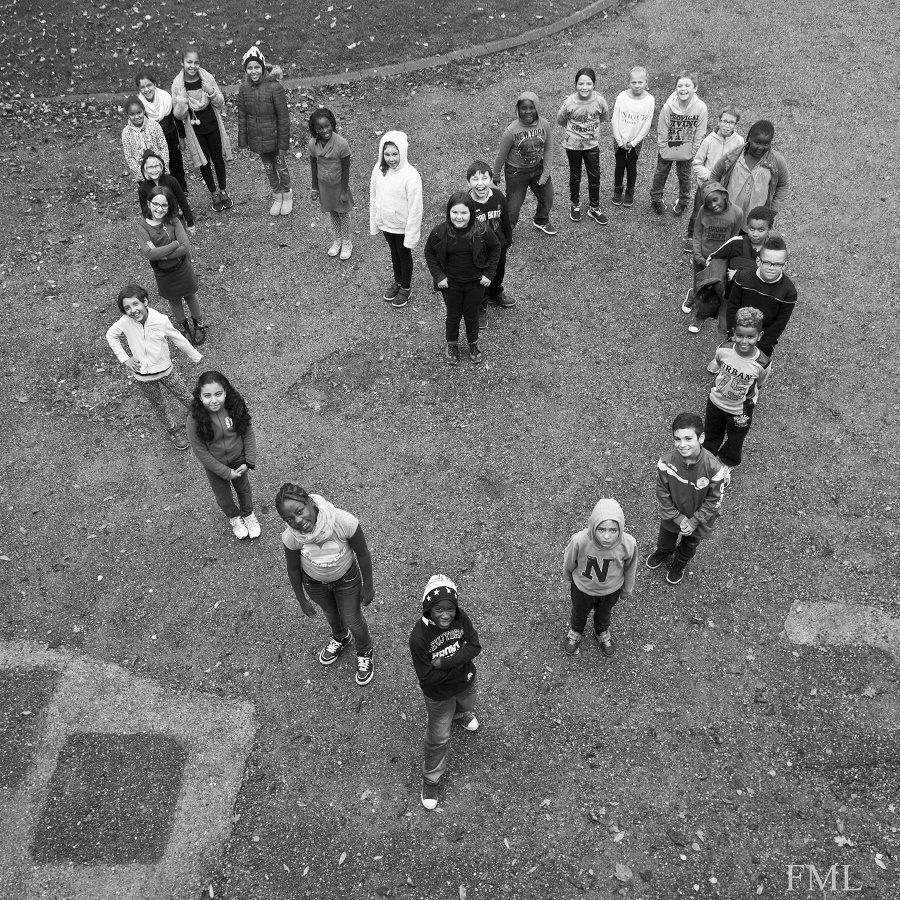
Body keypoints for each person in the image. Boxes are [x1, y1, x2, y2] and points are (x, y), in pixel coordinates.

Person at [276, 484, 376, 686]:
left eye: (299, 511)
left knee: (353, 618)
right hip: (315, 585)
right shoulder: (291, 537)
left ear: (310, 502)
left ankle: (365, 650)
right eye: (289, 519)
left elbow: (363, 554)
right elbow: (293, 569)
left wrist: (368, 586)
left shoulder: (343, 522)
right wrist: (302, 599)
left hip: (347, 582)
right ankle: (341, 637)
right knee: (331, 614)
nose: (297, 521)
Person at [409, 574, 482, 811]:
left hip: (465, 682)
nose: (445, 615)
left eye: (450, 609)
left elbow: (475, 646)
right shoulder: (419, 637)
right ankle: (431, 780)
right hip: (438, 694)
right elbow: (427, 678)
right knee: (438, 737)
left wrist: (445, 662)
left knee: (466, 704)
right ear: (428, 608)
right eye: (438, 609)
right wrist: (460, 664)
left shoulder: (461, 618)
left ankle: (459, 715)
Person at [105, 284, 201, 450]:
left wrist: (195, 356)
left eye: (135, 304)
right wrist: (125, 359)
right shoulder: (125, 322)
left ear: (145, 302)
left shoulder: (160, 320)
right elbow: (111, 335)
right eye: (127, 308)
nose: (133, 310)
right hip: (143, 377)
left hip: (166, 371)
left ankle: (202, 418)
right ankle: (173, 430)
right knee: (159, 405)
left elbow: (177, 338)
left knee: (185, 395)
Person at [646, 412, 726, 585]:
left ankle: (679, 562)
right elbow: (662, 492)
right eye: (677, 439)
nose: (682, 445)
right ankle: (664, 551)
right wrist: (677, 517)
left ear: (701, 438)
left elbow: (714, 501)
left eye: (688, 438)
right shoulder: (665, 462)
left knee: (689, 545)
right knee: (665, 539)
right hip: (672, 516)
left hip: (699, 521)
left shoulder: (714, 468)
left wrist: (694, 521)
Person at [424, 191, 501, 366]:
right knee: (453, 315)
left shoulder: (481, 230)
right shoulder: (440, 232)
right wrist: (439, 276)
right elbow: (429, 252)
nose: (459, 217)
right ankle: (452, 344)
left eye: (464, 213)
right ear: (448, 212)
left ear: (471, 213)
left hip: (476, 283)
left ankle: (473, 344)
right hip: (450, 284)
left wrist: (489, 273)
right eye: (455, 212)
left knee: (472, 315)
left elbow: (496, 247)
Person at [187, 371, 260, 540]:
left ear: (226, 392)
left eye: (218, 394)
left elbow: (248, 433)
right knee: (223, 498)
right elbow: (200, 451)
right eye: (207, 395)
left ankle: (248, 514)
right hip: (215, 466)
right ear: (199, 396)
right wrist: (226, 473)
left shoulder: (235, 407)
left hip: (239, 460)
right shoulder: (194, 419)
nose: (214, 400)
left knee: (244, 489)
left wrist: (249, 461)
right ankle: (234, 517)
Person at [704, 307, 770, 487]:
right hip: (716, 401)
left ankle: (726, 463)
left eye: (750, 337)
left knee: (736, 437)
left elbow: (759, 382)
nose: (744, 341)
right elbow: (719, 365)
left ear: (759, 336)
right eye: (740, 335)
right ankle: (707, 458)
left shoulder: (762, 363)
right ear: (733, 332)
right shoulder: (723, 349)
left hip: (740, 410)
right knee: (711, 431)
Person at [562, 499, 637, 658]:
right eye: (601, 529)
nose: (607, 536)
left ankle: (601, 631)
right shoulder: (579, 540)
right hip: (582, 589)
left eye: (613, 530)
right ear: (593, 526)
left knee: (604, 614)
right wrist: (568, 575)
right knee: (578, 612)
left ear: (621, 528)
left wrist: (626, 589)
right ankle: (576, 631)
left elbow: (630, 568)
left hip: (610, 591)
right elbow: (569, 560)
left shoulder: (628, 544)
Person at [703, 205, 775, 369]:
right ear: (746, 226)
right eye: (751, 228)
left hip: (755, 302)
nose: (755, 234)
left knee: (749, 332)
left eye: (761, 230)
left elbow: (773, 276)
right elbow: (712, 259)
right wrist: (721, 273)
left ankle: (743, 360)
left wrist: (740, 274)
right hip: (729, 298)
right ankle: (720, 358)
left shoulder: (772, 251)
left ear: (769, 229)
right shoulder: (736, 243)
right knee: (724, 328)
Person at [137, 185, 206, 345]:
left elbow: (185, 247)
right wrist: (174, 244)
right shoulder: (142, 227)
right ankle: (184, 328)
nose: (159, 208)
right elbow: (149, 253)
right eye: (156, 204)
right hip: (163, 273)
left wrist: (161, 254)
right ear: (148, 203)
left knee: (190, 295)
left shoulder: (173, 220)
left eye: (164, 205)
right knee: (174, 300)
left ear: (169, 206)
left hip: (182, 268)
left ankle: (199, 324)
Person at [172, 49, 233, 211]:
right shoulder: (178, 84)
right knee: (204, 163)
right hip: (195, 131)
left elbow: (220, 102)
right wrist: (182, 100)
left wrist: (211, 91)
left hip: (213, 125)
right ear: (182, 63)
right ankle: (214, 193)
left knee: (218, 159)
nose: (192, 66)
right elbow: (178, 115)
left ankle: (223, 191)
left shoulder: (207, 78)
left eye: (196, 62)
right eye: (189, 62)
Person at [369, 130, 423, 308]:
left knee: (403, 254)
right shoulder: (378, 170)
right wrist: (375, 221)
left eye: (395, 154)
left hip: (402, 225)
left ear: (403, 152)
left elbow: (416, 207)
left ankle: (406, 287)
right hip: (386, 223)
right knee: (394, 252)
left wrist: (412, 234)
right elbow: (374, 195)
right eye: (387, 154)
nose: (391, 159)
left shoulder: (411, 175)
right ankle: (398, 281)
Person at [237, 46, 292, 216]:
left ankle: (287, 196)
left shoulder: (275, 87)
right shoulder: (244, 88)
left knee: (281, 167)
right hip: (258, 139)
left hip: (275, 139)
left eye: (257, 67)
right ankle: (277, 196)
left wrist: (283, 144)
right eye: (249, 68)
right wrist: (243, 142)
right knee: (269, 168)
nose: (253, 71)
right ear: (246, 70)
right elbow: (242, 116)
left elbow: (283, 118)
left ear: (262, 67)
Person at [492, 91, 556, 235]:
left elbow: (548, 149)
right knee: (513, 206)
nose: (528, 111)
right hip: (516, 173)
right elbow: (501, 155)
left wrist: (545, 174)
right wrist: (495, 174)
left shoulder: (544, 125)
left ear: (537, 108)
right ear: (518, 109)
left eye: (531, 107)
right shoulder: (511, 131)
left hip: (538, 168)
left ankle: (541, 220)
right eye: (524, 108)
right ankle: (506, 231)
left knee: (548, 196)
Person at [682, 180, 742, 333]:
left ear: (724, 195)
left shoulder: (737, 213)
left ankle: (700, 317)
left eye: (715, 200)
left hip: (719, 261)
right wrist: (697, 255)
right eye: (708, 203)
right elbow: (697, 233)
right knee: (699, 283)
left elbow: (733, 240)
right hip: (701, 257)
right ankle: (693, 294)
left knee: (711, 292)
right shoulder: (703, 211)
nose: (713, 205)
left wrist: (725, 261)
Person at [724, 234, 796, 358]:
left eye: (778, 264)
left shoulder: (789, 292)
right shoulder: (743, 278)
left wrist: (759, 347)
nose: (771, 268)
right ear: (758, 261)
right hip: (737, 336)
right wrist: (733, 335)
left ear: (784, 265)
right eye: (767, 262)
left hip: (762, 345)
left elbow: (778, 325)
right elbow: (732, 307)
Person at [708, 120, 790, 225]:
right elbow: (715, 175)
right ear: (750, 137)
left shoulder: (776, 161)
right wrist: (715, 200)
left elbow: (783, 185)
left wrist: (771, 212)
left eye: (766, 143)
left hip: (755, 222)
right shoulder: (734, 156)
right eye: (757, 142)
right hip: (728, 216)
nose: (761, 147)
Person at [683, 106, 742, 250]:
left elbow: (739, 165)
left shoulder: (739, 142)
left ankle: (715, 239)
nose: (727, 125)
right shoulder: (709, 141)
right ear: (719, 121)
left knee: (721, 213)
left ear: (736, 125)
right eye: (724, 121)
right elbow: (697, 163)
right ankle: (691, 236)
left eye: (731, 122)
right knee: (698, 212)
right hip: (706, 187)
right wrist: (711, 176)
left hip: (725, 189)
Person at [556, 67, 609, 225]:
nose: (584, 87)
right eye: (581, 84)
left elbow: (604, 116)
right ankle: (575, 204)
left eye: (588, 83)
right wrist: (575, 131)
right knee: (575, 175)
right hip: (573, 145)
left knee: (594, 176)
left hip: (591, 145)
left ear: (594, 84)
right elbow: (561, 119)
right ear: (575, 85)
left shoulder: (599, 100)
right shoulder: (569, 103)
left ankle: (594, 207)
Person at [650, 72, 707, 216]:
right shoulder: (667, 107)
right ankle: (656, 199)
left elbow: (700, 131)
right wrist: (663, 148)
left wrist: (693, 150)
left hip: (687, 150)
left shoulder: (701, 108)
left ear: (695, 88)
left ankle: (683, 202)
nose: (683, 89)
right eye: (680, 86)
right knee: (660, 174)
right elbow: (662, 129)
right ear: (675, 88)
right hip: (667, 148)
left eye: (687, 85)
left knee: (685, 177)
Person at [467, 160, 515, 322]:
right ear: (468, 182)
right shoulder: (466, 204)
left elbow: (506, 220)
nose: (480, 183)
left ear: (491, 179)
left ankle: (495, 293)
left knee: (498, 272)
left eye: (484, 178)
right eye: (475, 179)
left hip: (499, 247)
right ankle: (480, 306)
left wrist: (507, 241)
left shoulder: (498, 196)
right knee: (479, 280)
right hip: (478, 252)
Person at [309, 107, 353, 259]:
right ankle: (337, 240)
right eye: (320, 128)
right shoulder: (313, 144)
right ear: (314, 129)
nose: (324, 130)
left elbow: (346, 168)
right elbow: (313, 167)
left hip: (339, 186)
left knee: (343, 213)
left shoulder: (341, 144)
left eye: (327, 126)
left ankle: (347, 242)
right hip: (325, 187)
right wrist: (315, 188)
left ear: (332, 124)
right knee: (333, 213)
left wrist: (344, 191)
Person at [610, 65, 655, 207]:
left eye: (640, 82)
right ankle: (617, 191)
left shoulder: (649, 100)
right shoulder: (622, 97)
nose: (637, 85)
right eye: (633, 82)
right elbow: (615, 119)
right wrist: (619, 140)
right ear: (628, 82)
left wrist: (634, 143)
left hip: (636, 141)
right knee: (619, 166)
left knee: (631, 166)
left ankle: (630, 192)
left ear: (646, 82)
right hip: (620, 139)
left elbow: (646, 124)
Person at [135, 70, 187, 191]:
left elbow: (177, 118)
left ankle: (182, 190)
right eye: (142, 87)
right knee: (160, 167)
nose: (146, 90)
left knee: (177, 165)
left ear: (155, 84)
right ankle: (165, 193)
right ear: (139, 89)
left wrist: (182, 137)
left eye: (149, 85)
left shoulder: (166, 98)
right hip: (154, 142)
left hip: (171, 136)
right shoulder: (140, 105)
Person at [137, 150, 194, 234]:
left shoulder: (171, 181)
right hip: (159, 225)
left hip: (176, 220)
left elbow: (182, 201)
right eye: (150, 167)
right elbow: (145, 211)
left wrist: (190, 221)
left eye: (157, 166)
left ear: (161, 166)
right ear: (145, 170)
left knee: (181, 241)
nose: (154, 170)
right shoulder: (143, 189)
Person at [121, 95, 169, 182]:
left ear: (143, 110)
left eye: (139, 112)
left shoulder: (154, 126)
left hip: (160, 171)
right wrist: (143, 173)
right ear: (127, 114)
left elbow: (164, 147)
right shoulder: (126, 133)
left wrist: (161, 167)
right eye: (132, 114)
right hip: (143, 177)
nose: (136, 117)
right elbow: (129, 157)